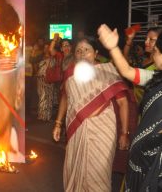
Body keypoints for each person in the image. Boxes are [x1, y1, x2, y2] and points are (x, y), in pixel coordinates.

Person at [52, 36, 130, 192]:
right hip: (77, 129)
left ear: (96, 53)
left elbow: (123, 103)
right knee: (75, 169)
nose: (82, 54)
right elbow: (65, 99)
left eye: (86, 50)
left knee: (99, 174)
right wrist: (58, 124)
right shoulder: (71, 76)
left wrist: (124, 133)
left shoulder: (107, 71)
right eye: (78, 51)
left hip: (103, 131)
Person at [98, 24, 162, 191]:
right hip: (142, 154)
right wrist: (113, 47)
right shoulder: (155, 77)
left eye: (156, 50)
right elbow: (126, 70)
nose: (153, 52)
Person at [34, 42, 57, 121]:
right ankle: (42, 116)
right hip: (41, 79)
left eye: (48, 47)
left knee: (49, 97)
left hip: (50, 80)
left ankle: (48, 116)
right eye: (45, 48)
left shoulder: (53, 57)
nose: (46, 49)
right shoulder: (40, 57)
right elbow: (34, 63)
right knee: (43, 97)